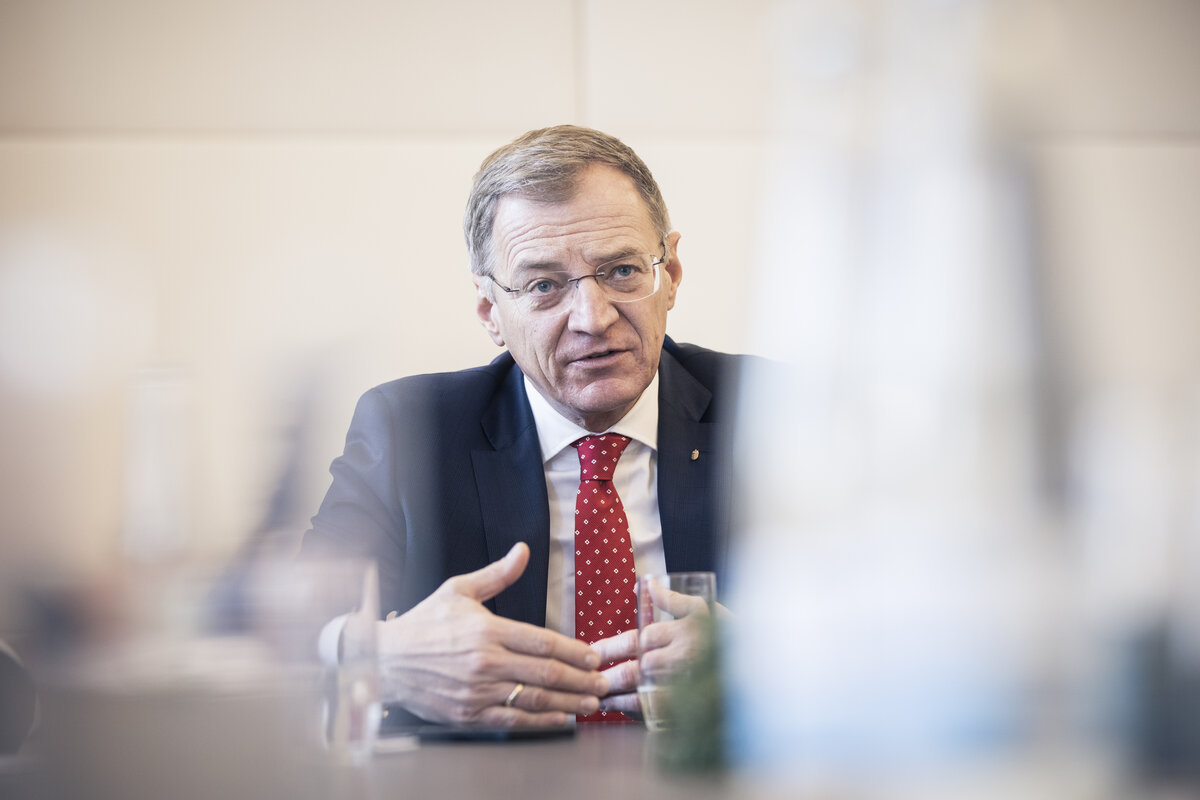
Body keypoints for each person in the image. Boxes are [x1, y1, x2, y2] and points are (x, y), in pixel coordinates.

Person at [304, 125, 744, 728]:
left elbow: (879, 620)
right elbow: (292, 634)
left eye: (621, 271)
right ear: (491, 312)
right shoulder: (410, 431)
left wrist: (766, 658)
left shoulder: (770, 413)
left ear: (670, 275)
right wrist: (382, 660)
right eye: (543, 285)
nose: (592, 318)